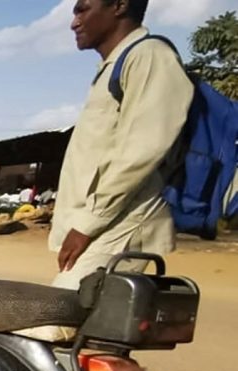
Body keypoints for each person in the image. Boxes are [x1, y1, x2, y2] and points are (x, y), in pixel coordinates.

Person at [50, 0, 192, 289]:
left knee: (53, 322)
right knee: (87, 327)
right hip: (105, 226)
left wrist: (87, 224)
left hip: (124, 222)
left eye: (83, 9)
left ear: (119, 6)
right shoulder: (116, 65)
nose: (74, 22)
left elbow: (140, 152)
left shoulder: (150, 56)